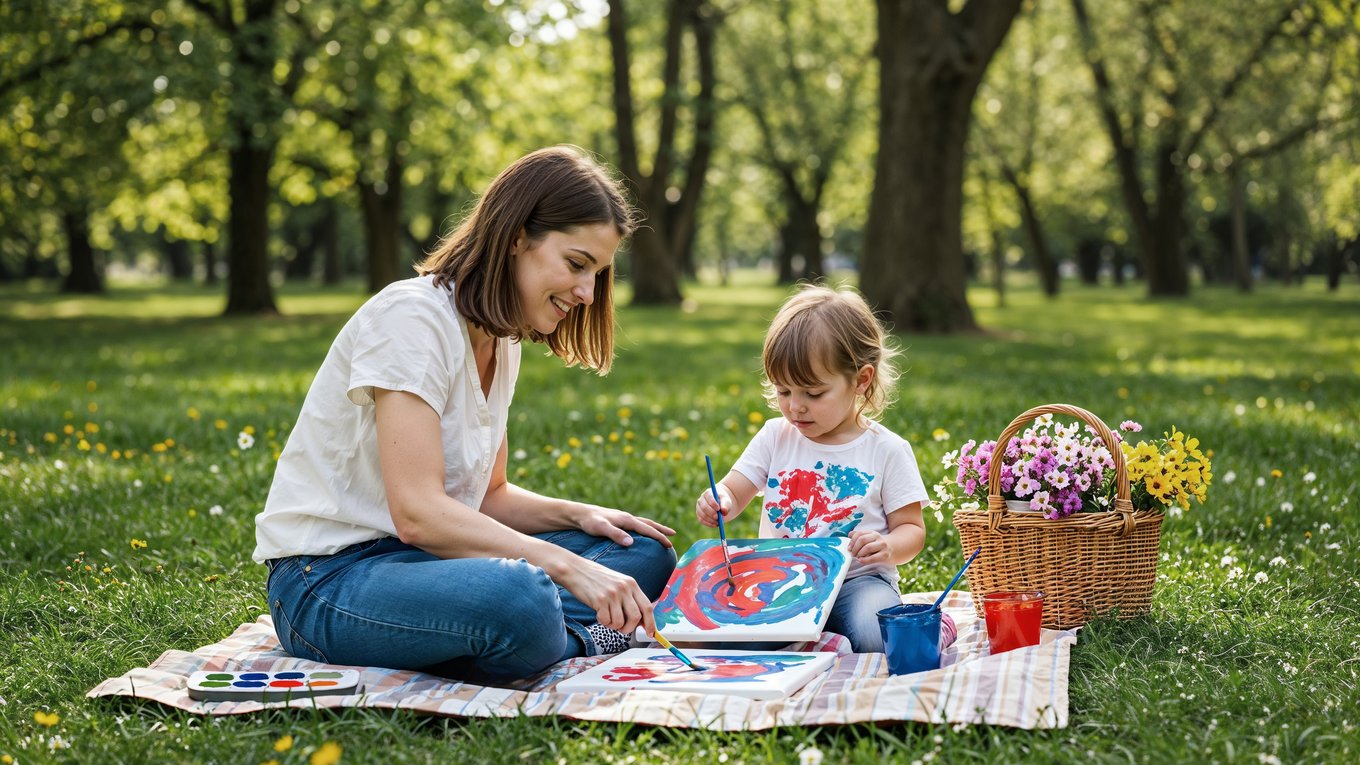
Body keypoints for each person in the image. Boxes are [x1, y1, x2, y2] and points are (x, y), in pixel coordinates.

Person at [254, 146, 677, 683]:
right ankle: (565, 637)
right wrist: (567, 566)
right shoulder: (412, 319)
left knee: (643, 552)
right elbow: (417, 513)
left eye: (597, 273)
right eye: (576, 264)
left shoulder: (502, 340)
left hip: (431, 564)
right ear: (517, 237)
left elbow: (489, 496)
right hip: (330, 579)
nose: (588, 293)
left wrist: (578, 516)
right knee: (521, 598)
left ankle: (534, 639)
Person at [696, 284, 954, 653]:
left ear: (861, 380)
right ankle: (822, 641)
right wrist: (719, 499)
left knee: (877, 634)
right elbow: (735, 490)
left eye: (813, 393)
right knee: (730, 637)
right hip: (781, 581)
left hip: (858, 583)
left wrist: (887, 546)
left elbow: (912, 530)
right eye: (783, 391)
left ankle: (935, 629)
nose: (795, 407)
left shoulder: (887, 450)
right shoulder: (775, 436)